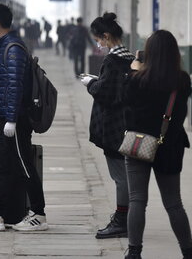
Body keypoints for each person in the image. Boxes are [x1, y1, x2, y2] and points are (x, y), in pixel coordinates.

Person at [0, 3, 47, 232]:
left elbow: (14, 86)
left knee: (24, 164)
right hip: (7, 116)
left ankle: (39, 214)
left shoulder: (12, 49)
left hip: (16, 119)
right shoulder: (5, 46)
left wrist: (12, 119)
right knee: (1, 165)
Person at [121, 30, 192, 259]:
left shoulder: (137, 80)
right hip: (170, 147)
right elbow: (180, 114)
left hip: (139, 145)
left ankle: (134, 252)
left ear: (150, 53)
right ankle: (189, 253)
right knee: (174, 203)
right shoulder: (182, 80)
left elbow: (126, 110)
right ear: (174, 53)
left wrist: (133, 70)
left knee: (136, 200)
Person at [80, 12, 134, 239]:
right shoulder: (130, 58)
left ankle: (122, 221)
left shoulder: (112, 61)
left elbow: (107, 94)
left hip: (113, 128)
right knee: (125, 176)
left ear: (106, 36)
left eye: (99, 40)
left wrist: (90, 82)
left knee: (120, 177)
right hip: (127, 124)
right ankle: (127, 218)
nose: (98, 45)